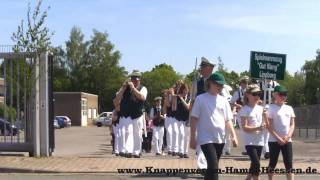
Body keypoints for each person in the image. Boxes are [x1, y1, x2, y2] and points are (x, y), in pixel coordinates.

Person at [190, 72, 238, 180]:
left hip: (220, 138)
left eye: (221, 85)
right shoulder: (200, 99)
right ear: (210, 83)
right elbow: (194, 118)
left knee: (211, 169)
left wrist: (233, 135)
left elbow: (228, 120)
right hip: (205, 138)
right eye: (218, 84)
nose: (220, 87)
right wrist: (193, 137)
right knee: (214, 166)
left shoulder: (224, 101)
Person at [113, 70, 148, 158]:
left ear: (139, 80)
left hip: (137, 114)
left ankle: (136, 152)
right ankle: (127, 151)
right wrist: (123, 89)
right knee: (126, 132)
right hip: (126, 114)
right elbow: (116, 101)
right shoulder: (125, 89)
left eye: (136, 79)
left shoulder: (143, 88)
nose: (134, 81)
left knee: (138, 134)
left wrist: (133, 88)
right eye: (132, 79)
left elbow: (142, 97)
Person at [266, 85, 295, 180]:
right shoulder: (271, 108)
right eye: (281, 94)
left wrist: (288, 136)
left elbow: (292, 124)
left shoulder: (289, 108)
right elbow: (269, 126)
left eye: (285, 94)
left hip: (287, 140)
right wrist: (278, 138)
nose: (283, 96)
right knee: (273, 163)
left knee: (289, 163)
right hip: (274, 140)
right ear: (275, 95)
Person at [239, 85, 267, 180]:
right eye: (255, 94)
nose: (257, 96)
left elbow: (267, 124)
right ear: (247, 95)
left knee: (254, 164)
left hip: (260, 140)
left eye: (259, 94)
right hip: (249, 141)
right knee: (256, 163)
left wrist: (265, 116)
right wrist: (258, 127)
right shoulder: (245, 109)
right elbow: (245, 127)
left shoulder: (261, 108)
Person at [259, 79, 279, 159]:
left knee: (270, 130)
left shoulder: (276, 84)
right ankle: (266, 150)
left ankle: (267, 150)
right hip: (262, 108)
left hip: (273, 108)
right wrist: (258, 100)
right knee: (265, 131)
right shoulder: (259, 84)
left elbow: (279, 95)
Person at [231, 75, 250, 156]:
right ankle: (247, 148)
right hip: (241, 113)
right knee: (244, 131)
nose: (245, 84)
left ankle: (250, 148)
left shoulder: (250, 91)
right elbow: (232, 102)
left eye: (246, 82)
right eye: (244, 82)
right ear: (241, 83)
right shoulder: (237, 92)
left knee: (250, 130)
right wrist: (238, 106)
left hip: (250, 113)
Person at [174, 83, 191, 158]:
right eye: (184, 90)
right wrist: (175, 96)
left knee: (186, 137)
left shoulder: (190, 98)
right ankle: (180, 151)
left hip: (187, 119)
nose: (185, 91)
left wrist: (181, 99)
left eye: (187, 90)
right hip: (179, 119)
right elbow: (173, 108)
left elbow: (188, 107)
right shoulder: (177, 98)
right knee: (181, 134)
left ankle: (185, 152)